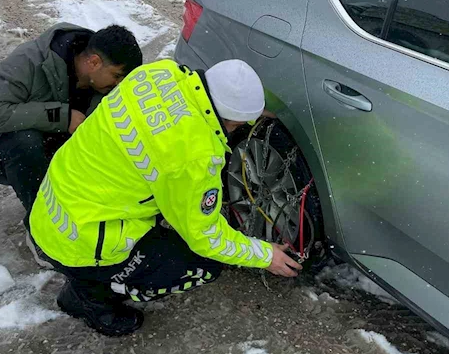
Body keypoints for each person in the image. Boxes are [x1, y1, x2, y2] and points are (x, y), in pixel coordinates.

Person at [28, 58, 301, 336]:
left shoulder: (160, 72)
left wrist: (248, 108)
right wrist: (265, 256)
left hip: (53, 205)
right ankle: (89, 296)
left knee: (164, 204)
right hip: (80, 240)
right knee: (205, 265)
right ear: (231, 120)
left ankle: (88, 275)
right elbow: (207, 238)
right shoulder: (192, 156)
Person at [0, 23, 143, 216]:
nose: (118, 85)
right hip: (4, 153)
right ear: (94, 62)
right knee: (24, 141)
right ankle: (41, 225)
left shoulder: (105, 84)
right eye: (116, 76)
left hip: (58, 146)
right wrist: (61, 117)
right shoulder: (30, 60)